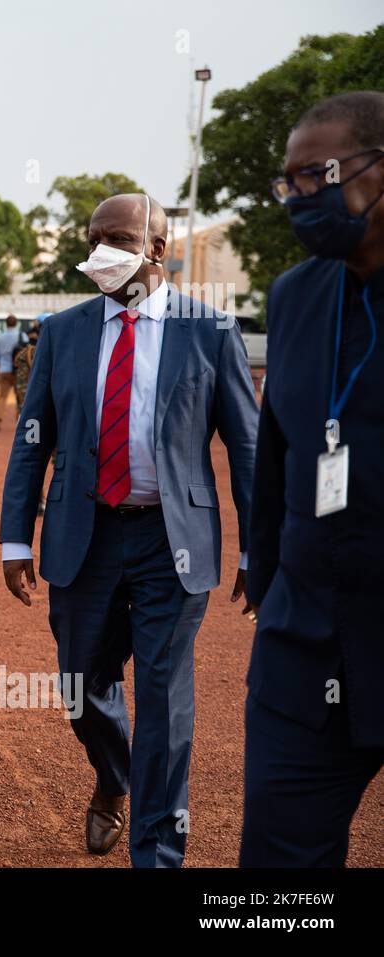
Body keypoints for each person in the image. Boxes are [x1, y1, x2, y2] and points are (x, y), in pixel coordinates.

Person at [0, 193, 258, 867]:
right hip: (82, 535)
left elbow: (249, 449)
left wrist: (259, 547)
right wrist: (15, 536)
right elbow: (32, 441)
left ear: (156, 249)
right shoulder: (64, 332)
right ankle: (113, 777)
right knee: (82, 686)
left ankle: (157, 852)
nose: (101, 250)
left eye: (116, 237)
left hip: (171, 540)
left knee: (165, 700)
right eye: (93, 238)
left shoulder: (212, 332)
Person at [241, 91, 384, 867]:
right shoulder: (295, 297)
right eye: (288, 182)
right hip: (305, 654)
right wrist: (268, 588)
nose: (300, 197)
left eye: (317, 175)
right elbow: (276, 456)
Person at [0, 314, 23, 431]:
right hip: (18, 370)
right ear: (17, 323)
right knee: (19, 398)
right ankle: (19, 422)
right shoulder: (22, 336)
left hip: (4, 369)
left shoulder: (0, 337)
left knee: (2, 397)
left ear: (6, 323)